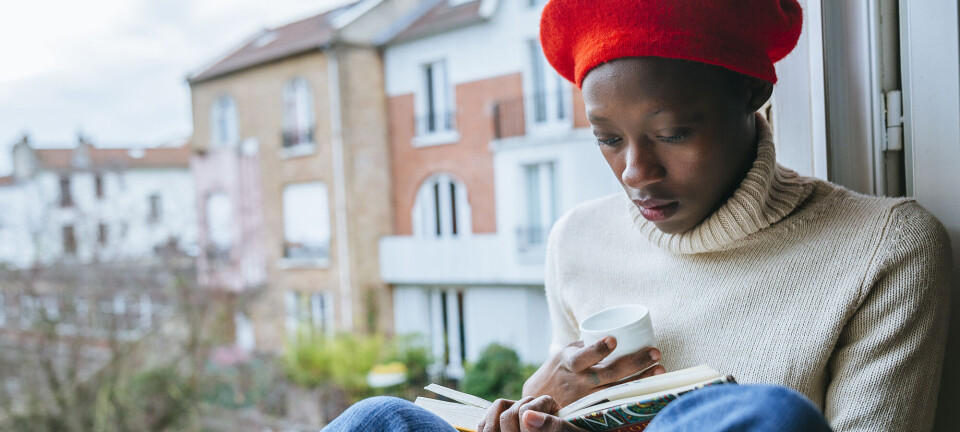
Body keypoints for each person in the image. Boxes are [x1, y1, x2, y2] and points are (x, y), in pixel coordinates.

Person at [325, 0, 951, 431]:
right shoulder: (579, 239)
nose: (634, 172)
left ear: (753, 95)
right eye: (607, 139)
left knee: (765, 418)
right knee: (379, 419)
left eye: (673, 133)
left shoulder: (883, 247)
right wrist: (536, 404)